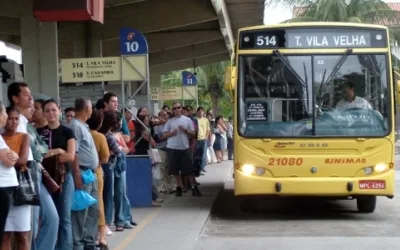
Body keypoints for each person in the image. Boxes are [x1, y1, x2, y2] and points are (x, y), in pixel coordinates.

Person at [38, 99, 76, 250]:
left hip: (64, 178)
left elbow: (70, 156)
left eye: (53, 110)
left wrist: (54, 153)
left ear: (59, 110)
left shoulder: (68, 131)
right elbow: (38, 156)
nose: (51, 113)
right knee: (49, 218)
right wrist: (59, 151)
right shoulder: (40, 133)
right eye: (47, 110)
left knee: (64, 217)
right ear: (44, 113)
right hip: (46, 179)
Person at [68, 98, 99, 250]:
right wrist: (77, 176)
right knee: (81, 211)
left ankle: (89, 242)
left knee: (93, 209)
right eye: (91, 107)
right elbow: (74, 153)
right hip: (81, 172)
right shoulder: (75, 126)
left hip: (90, 173)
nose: (92, 110)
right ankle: (78, 244)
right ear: (87, 108)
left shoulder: (83, 126)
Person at [1, 107, 31, 250]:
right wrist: (13, 157)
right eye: (10, 118)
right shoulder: (1, 137)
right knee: (5, 234)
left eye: (16, 119)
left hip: (20, 185)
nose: (13, 122)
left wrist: (13, 158)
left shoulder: (24, 136)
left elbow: (23, 160)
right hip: (3, 186)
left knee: (22, 234)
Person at [163, 102, 201, 197]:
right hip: (172, 148)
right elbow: (164, 135)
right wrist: (172, 133)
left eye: (178, 108)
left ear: (181, 109)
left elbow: (193, 134)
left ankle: (193, 187)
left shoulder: (187, 120)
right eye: (174, 108)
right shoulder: (170, 121)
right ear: (173, 110)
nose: (176, 110)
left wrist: (185, 130)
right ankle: (178, 187)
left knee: (189, 170)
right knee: (175, 170)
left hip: (184, 148)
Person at [86, 110, 110, 248]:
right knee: (98, 203)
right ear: (100, 122)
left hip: (82, 173)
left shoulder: (82, 134)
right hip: (96, 172)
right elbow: (106, 157)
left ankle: (88, 234)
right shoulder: (100, 137)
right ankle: (102, 236)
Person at [0, 101, 19, 244]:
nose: (7, 116)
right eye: (5, 113)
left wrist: (13, 155)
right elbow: (9, 160)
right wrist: (15, 155)